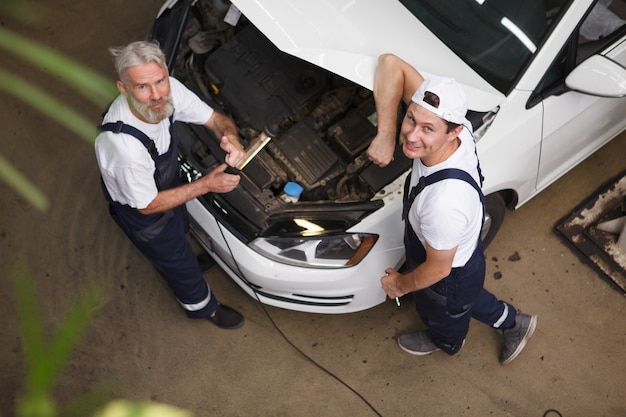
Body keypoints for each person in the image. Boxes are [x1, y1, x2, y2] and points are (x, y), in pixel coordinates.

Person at [369, 53, 536, 364]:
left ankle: (447, 341)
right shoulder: (457, 131)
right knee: (464, 298)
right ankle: (514, 321)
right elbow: (391, 63)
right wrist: (385, 133)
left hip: (448, 274)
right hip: (459, 259)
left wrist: (399, 285)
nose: (412, 135)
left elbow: (437, 269)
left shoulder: (443, 204)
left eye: (427, 129)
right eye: (410, 118)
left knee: (443, 311)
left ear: (453, 131)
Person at [95, 41, 246, 329]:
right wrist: (206, 185)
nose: (156, 96)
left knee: (180, 227)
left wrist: (231, 138)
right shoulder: (123, 146)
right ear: (123, 88)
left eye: (160, 81)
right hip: (142, 211)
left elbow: (215, 119)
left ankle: (186, 255)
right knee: (176, 263)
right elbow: (148, 205)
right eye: (142, 87)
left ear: (166, 73)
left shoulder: (169, 91)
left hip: (164, 186)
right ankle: (205, 308)